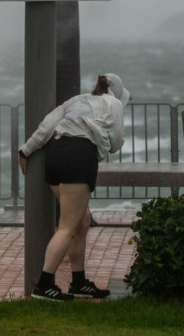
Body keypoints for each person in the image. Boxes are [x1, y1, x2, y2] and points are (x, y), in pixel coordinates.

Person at [18, 73, 129, 301]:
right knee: (67, 227)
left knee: (82, 221)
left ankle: (78, 283)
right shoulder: (114, 103)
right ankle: (44, 285)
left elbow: (46, 126)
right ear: (116, 92)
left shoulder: (76, 100)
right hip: (79, 155)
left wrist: (25, 151)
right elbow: (116, 142)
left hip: (55, 153)